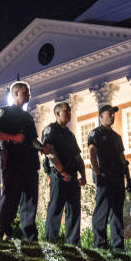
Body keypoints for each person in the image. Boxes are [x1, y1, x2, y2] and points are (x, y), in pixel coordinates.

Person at [0, 81, 43, 241]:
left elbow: (32, 139)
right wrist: (13, 138)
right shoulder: (4, 112)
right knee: (10, 199)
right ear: (16, 94)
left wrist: (42, 148)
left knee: (30, 201)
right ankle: (5, 232)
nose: (29, 95)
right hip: (12, 163)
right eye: (26, 92)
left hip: (30, 164)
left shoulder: (28, 117)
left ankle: (30, 237)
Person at [88, 104, 131, 250]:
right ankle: (100, 244)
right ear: (101, 116)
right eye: (110, 113)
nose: (113, 116)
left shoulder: (116, 137)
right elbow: (92, 154)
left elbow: (122, 157)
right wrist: (97, 173)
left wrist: (128, 178)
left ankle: (118, 246)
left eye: (114, 114)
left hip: (118, 177)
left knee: (117, 212)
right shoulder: (95, 133)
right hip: (104, 176)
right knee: (102, 210)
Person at [41, 101, 86, 244]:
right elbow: (50, 153)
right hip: (58, 175)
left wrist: (83, 175)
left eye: (70, 111)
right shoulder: (50, 130)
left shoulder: (69, 134)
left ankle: (73, 243)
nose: (69, 114)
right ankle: (50, 241)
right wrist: (62, 171)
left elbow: (77, 157)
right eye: (66, 111)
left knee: (74, 210)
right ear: (57, 113)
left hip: (72, 175)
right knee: (56, 207)